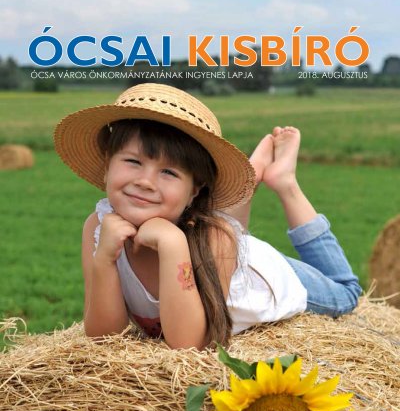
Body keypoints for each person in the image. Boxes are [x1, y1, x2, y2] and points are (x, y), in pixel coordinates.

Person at [54, 83, 362, 350]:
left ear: (194, 191)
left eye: (169, 172)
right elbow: (105, 338)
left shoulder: (217, 240)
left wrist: (173, 243)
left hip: (264, 274)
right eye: (133, 161)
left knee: (347, 293)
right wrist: (105, 260)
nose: (145, 181)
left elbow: (188, 344)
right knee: (225, 229)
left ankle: (285, 182)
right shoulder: (98, 228)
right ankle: (248, 184)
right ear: (107, 164)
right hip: (212, 233)